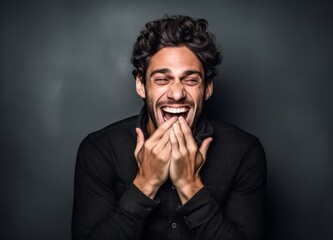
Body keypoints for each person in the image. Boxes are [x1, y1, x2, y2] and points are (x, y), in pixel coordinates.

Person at [72, 15, 266, 240]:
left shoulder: (244, 152)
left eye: (191, 80)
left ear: (208, 88)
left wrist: (190, 186)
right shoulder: (99, 150)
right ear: (141, 85)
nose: (176, 93)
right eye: (162, 79)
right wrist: (145, 183)